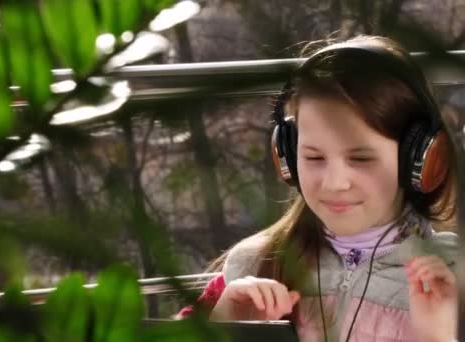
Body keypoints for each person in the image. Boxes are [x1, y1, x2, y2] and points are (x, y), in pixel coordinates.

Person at [177, 35, 459, 342]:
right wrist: (223, 327)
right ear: (287, 154)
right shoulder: (255, 265)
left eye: (361, 158)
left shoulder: (453, 280)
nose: (334, 183)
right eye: (313, 157)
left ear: (420, 158)